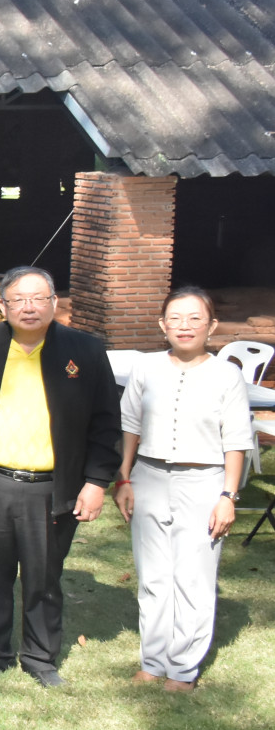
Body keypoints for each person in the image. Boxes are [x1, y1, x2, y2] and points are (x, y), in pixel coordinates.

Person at [0, 266, 120, 688]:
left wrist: (96, 481)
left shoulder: (84, 350)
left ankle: (40, 658)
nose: (28, 307)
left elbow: (106, 421)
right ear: (2, 306)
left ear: (54, 304)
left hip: (52, 487)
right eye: (18, 299)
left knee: (44, 577)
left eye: (38, 298)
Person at [113, 286, 253, 692]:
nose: (184, 326)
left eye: (195, 318)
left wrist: (228, 496)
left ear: (211, 326)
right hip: (150, 477)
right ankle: (153, 660)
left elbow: (237, 441)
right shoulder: (146, 367)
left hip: (205, 481)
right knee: (153, 575)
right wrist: (124, 477)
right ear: (162, 325)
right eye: (175, 318)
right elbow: (131, 427)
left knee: (193, 576)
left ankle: (183, 668)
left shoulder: (226, 374)